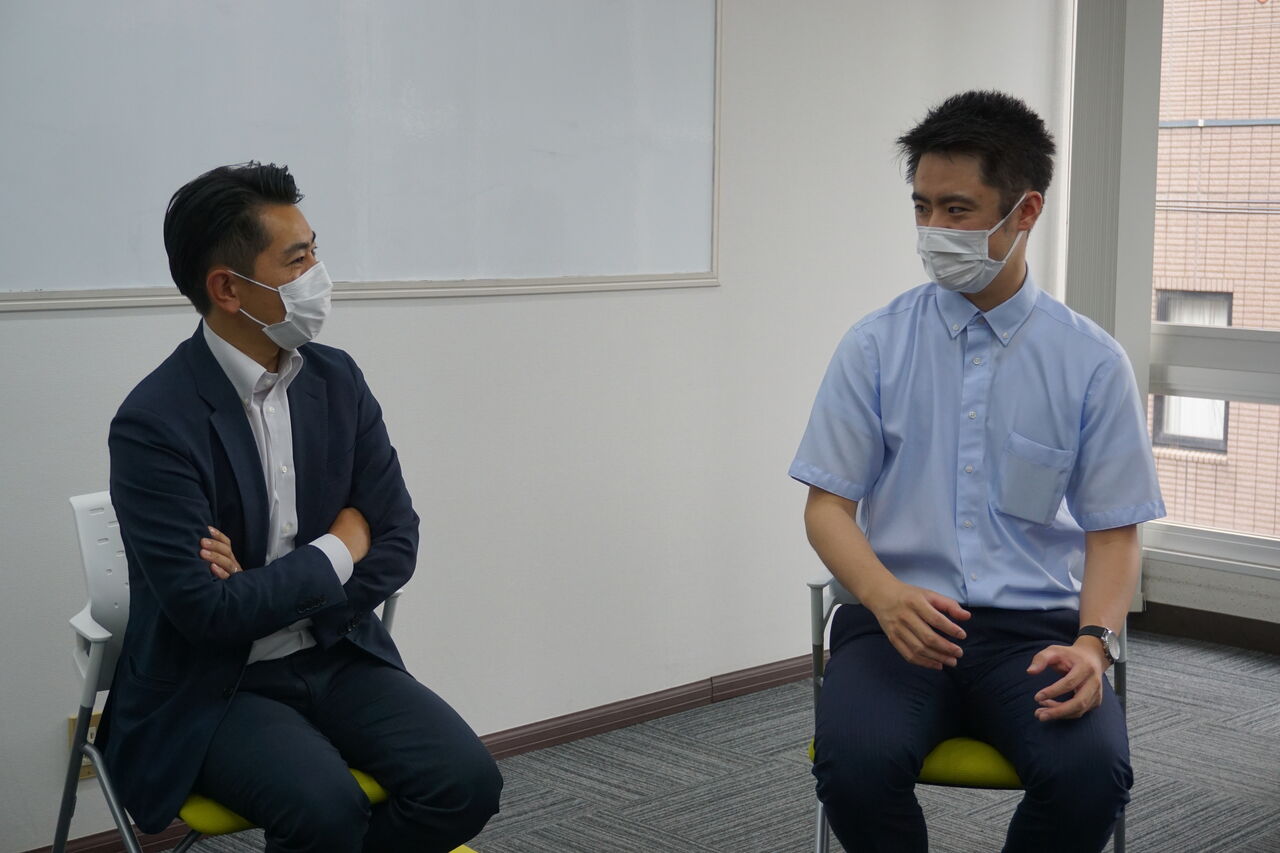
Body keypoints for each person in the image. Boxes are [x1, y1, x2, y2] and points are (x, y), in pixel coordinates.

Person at [790, 91, 1165, 853]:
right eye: (922, 207)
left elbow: (1114, 532)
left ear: (1025, 211)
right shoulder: (874, 346)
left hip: (1035, 633)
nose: (934, 230)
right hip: (894, 621)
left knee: (1091, 774)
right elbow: (826, 506)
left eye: (957, 210)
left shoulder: (1090, 362)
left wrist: (1093, 644)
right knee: (855, 765)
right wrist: (884, 595)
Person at [98, 162, 501, 852]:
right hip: (217, 685)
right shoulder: (155, 423)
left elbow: (397, 538)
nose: (319, 273)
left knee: (465, 783)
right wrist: (340, 547)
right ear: (228, 288)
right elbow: (208, 614)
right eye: (297, 259)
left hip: (335, 649)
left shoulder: (337, 380)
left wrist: (264, 589)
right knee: (325, 809)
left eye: (315, 249)